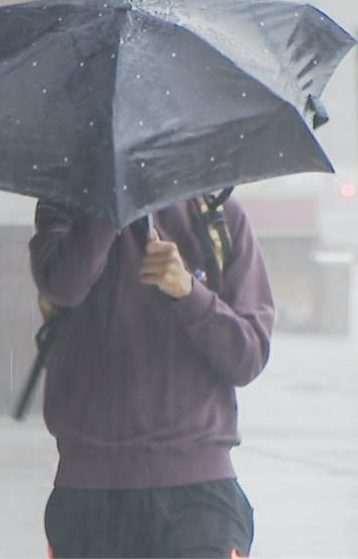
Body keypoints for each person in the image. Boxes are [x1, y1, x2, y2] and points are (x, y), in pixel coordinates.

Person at [30, 196, 275, 559]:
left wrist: (189, 293)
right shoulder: (64, 206)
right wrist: (107, 211)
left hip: (198, 496)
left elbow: (248, 355)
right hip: (89, 495)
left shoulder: (217, 215)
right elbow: (64, 285)